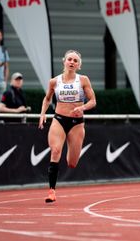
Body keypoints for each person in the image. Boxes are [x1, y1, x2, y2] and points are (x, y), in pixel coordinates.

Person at [38, 50, 96, 203]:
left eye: (75, 61)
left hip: (77, 123)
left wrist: (82, 108)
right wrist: (43, 113)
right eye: (69, 59)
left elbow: (93, 101)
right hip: (59, 119)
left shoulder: (83, 80)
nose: (72, 62)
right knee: (56, 150)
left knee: (72, 163)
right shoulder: (54, 81)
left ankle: (70, 153)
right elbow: (47, 99)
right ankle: (52, 191)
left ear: (79, 65)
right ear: (64, 61)